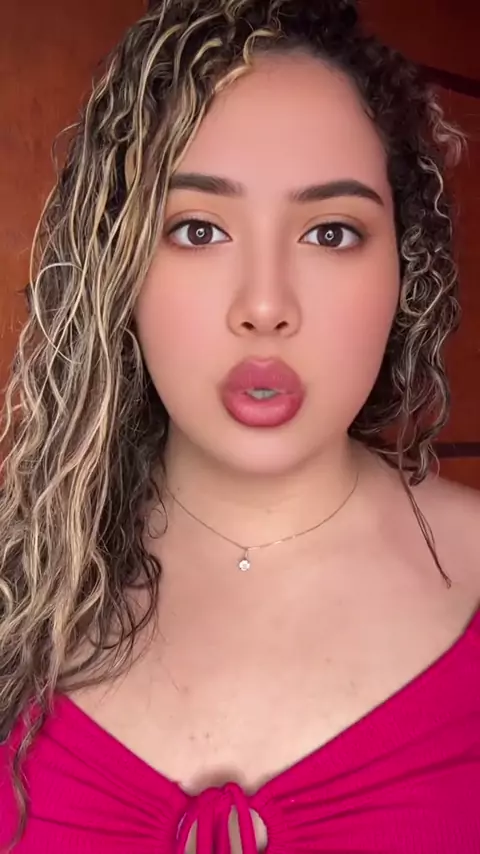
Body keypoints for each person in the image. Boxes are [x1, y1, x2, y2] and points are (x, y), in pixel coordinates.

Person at [1, 0, 479, 851]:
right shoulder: (16, 581)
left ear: (405, 268)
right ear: (117, 267)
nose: (264, 305)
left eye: (330, 232)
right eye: (198, 229)